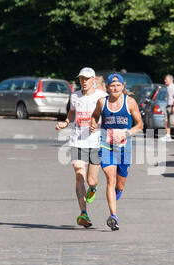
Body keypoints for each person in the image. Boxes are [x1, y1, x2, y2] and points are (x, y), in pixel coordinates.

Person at [90, 73, 143, 231]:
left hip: (124, 148)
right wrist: (93, 124)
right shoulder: (102, 102)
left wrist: (125, 133)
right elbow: (94, 115)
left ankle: (116, 196)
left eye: (118, 85)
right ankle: (113, 216)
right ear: (107, 88)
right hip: (106, 146)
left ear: (123, 87)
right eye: (112, 86)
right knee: (110, 180)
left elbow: (140, 125)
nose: (115, 88)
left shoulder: (130, 102)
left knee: (120, 184)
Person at [56, 67, 108, 228]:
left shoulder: (102, 96)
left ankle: (93, 188)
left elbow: (107, 117)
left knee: (91, 180)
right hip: (77, 141)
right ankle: (83, 213)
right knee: (80, 175)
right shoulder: (75, 96)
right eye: (81, 79)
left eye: (87, 78)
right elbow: (72, 113)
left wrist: (97, 123)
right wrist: (66, 122)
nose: (84, 82)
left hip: (95, 141)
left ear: (93, 80)